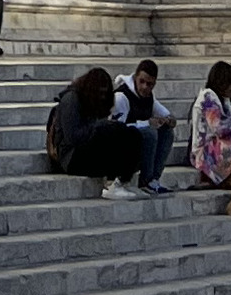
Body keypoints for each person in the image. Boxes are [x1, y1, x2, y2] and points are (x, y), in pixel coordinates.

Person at [43, 66, 149, 194]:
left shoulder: (96, 103)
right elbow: (73, 137)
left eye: (105, 93)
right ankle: (112, 184)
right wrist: (100, 126)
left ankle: (122, 181)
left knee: (132, 135)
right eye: (100, 93)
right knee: (114, 134)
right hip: (71, 157)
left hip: (86, 149)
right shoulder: (72, 100)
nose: (102, 97)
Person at [115, 58, 175, 192]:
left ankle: (154, 180)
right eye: (142, 82)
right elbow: (116, 130)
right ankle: (145, 181)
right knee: (150, 131)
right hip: (122, 149)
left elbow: (166, 114)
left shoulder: (149, 97)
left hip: (138, 148)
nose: (145, 87)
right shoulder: (121, 97)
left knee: (166, 131)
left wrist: (169, 120)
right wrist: (146, 124)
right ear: (135, 77)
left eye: (150, 84)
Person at [191, 59, 231, 191]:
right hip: (204, 151)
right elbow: (218, 127)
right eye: (230, 83)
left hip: (216, 144)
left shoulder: (224, 100)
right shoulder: (208, 98)